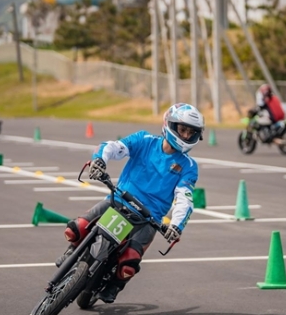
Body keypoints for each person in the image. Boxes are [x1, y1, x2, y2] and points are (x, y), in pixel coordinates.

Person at [55, 103, 205, 303]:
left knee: (129, 263)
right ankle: (73, 250)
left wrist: (177, 226)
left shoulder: (189, 166)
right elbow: (114, 147)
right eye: (183, 129)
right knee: (75, 229)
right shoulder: (144, 140)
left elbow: (184, 198)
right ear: (169, 124)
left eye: (191, 132)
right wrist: (100, 160)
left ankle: (116, 285)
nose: (186, 136)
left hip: (149, 219)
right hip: (117, 200)